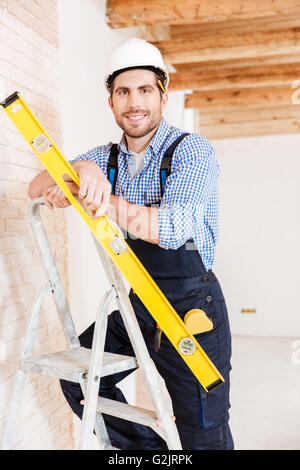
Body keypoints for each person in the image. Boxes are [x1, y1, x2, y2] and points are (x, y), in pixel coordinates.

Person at [28, 38, 234, 450]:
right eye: (123, 92)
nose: (134, 102)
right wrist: (84, 169)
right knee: (80, 380)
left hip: (190, 308)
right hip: (136, 303)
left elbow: (172, 228)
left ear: (163, 96)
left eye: (144, 91)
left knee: (202, 430)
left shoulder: (191, 150)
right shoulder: (105, 157)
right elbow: (36, 184)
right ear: (111, 103)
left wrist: (100, 196)